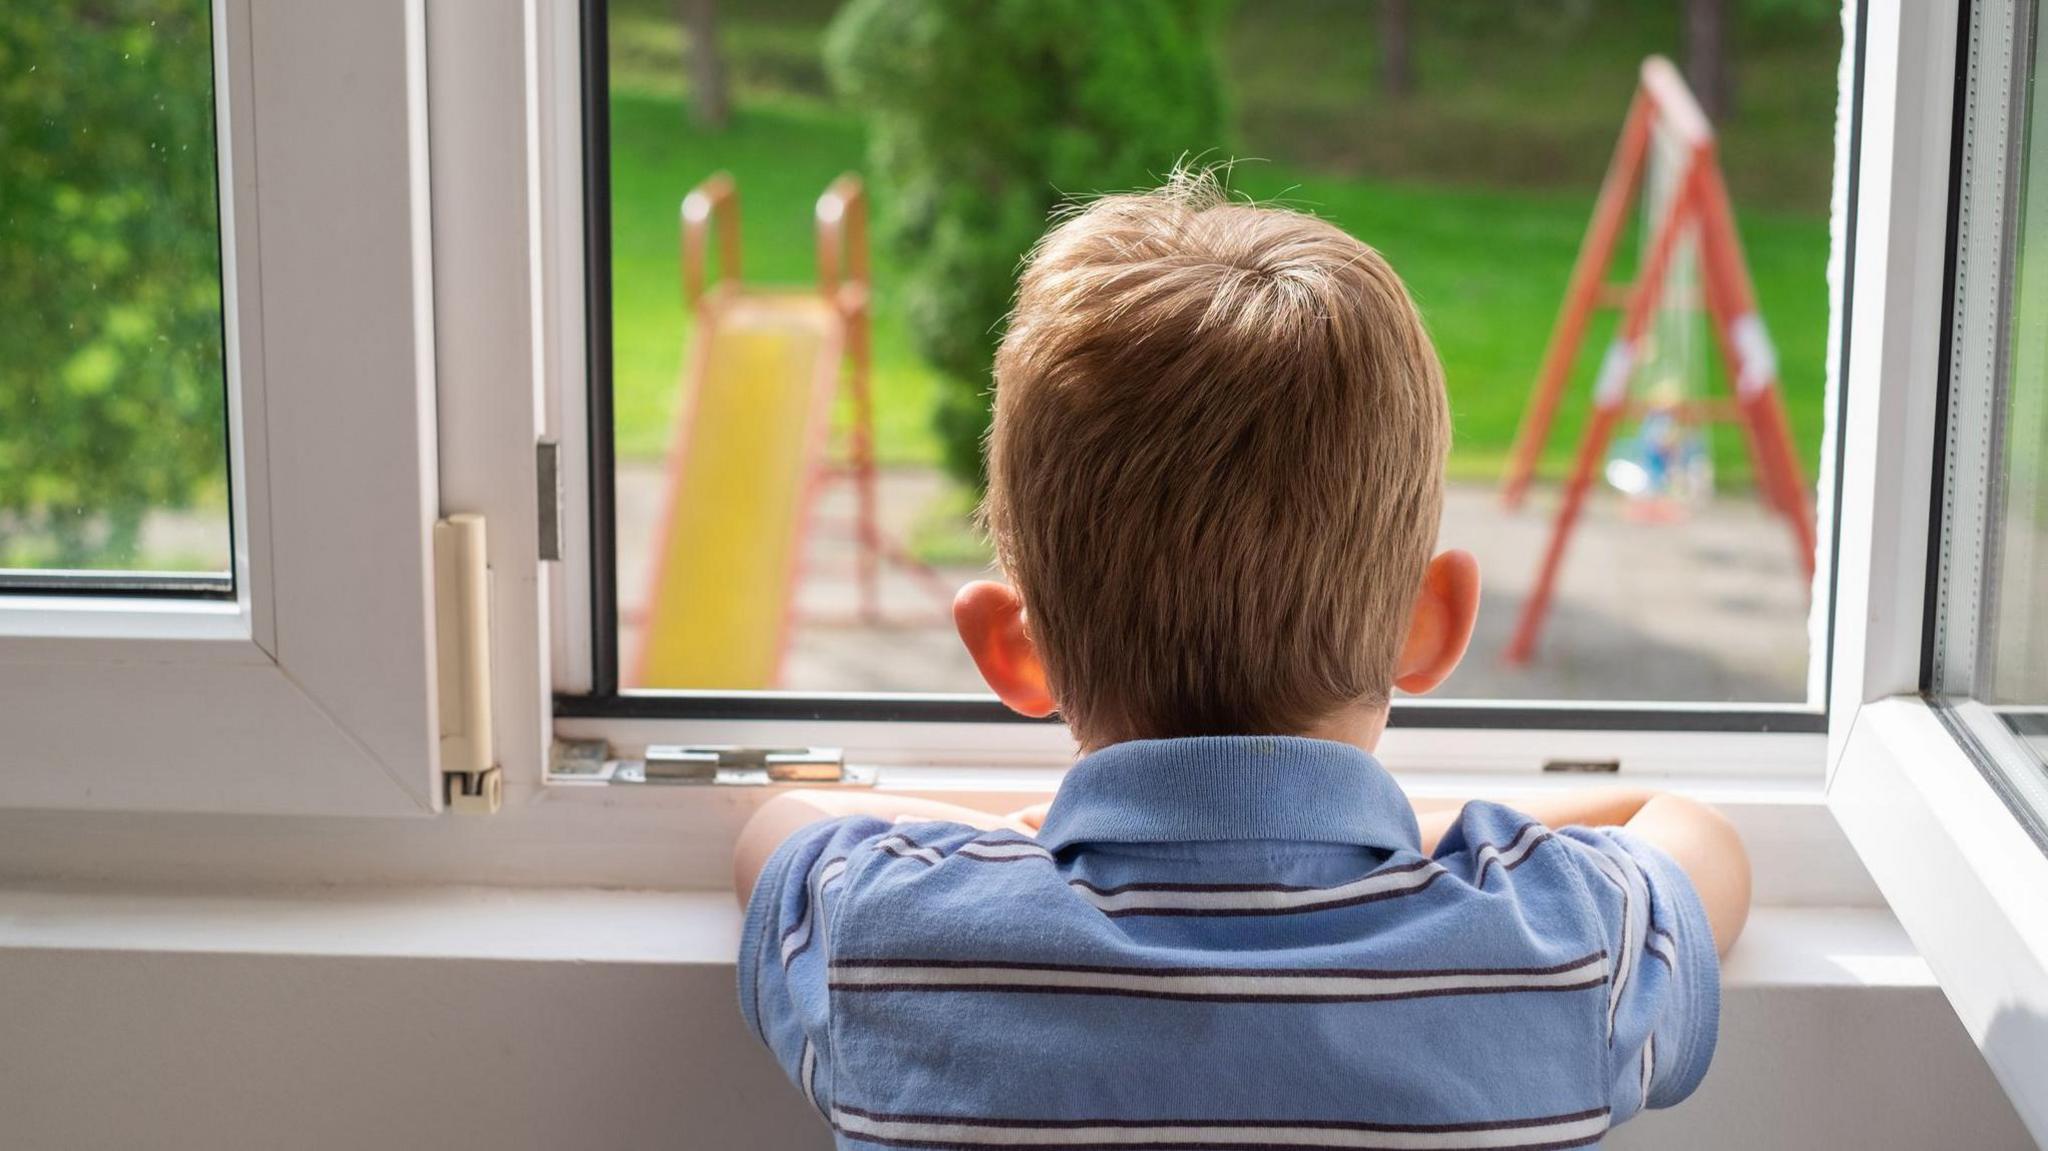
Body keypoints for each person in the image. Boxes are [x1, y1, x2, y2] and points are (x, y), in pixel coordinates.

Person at [734, 169, 1750, 1150]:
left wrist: (1032, 833)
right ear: (1432, 622)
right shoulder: (1556, 946)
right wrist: (1401, 831)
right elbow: (1685, 828)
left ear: (1011, 649)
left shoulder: (892, 936)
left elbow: (777, 823)